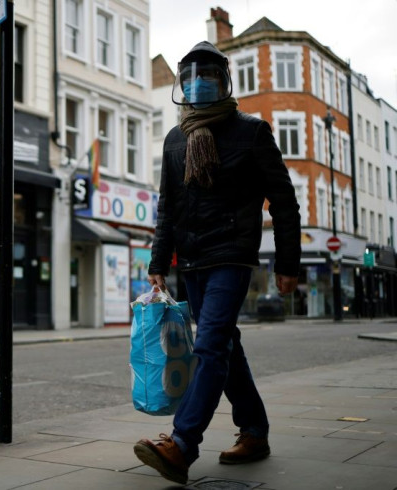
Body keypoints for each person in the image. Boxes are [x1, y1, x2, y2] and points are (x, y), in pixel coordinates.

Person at [134, 41, 301, 485]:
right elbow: (167, 207)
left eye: (206, 75)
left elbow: (283, 202)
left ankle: (182, 443)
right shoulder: (176, 138)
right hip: (190, 262)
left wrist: (288, 263)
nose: (197, 83)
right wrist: (158, 261)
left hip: (231, 254)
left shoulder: (251, 131)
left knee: (209, 347)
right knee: (227, 346)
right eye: (189, 77)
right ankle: (255, 431)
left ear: (223, 80)